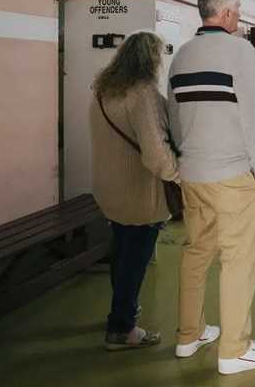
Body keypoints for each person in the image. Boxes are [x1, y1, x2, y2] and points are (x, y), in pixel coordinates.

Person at [168, 0, 255, 375]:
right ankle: (234, 349)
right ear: (229, 14)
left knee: (197, 251)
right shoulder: (239, 50)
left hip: (192, 172)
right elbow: (253, 110)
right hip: (234, 173)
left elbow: (173, 117)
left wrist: (186, 160)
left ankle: (189, 334)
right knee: (239, 258)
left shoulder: (182, 54)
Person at [90, 31, 179, 351]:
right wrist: (179, 175)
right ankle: (122, 327)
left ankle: (122, 311)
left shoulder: (104, 90)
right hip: (139, 192)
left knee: (122, 251)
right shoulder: (143, 94)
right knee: (135, 260)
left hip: (109, 188)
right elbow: (156, 155)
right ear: (150, 60)